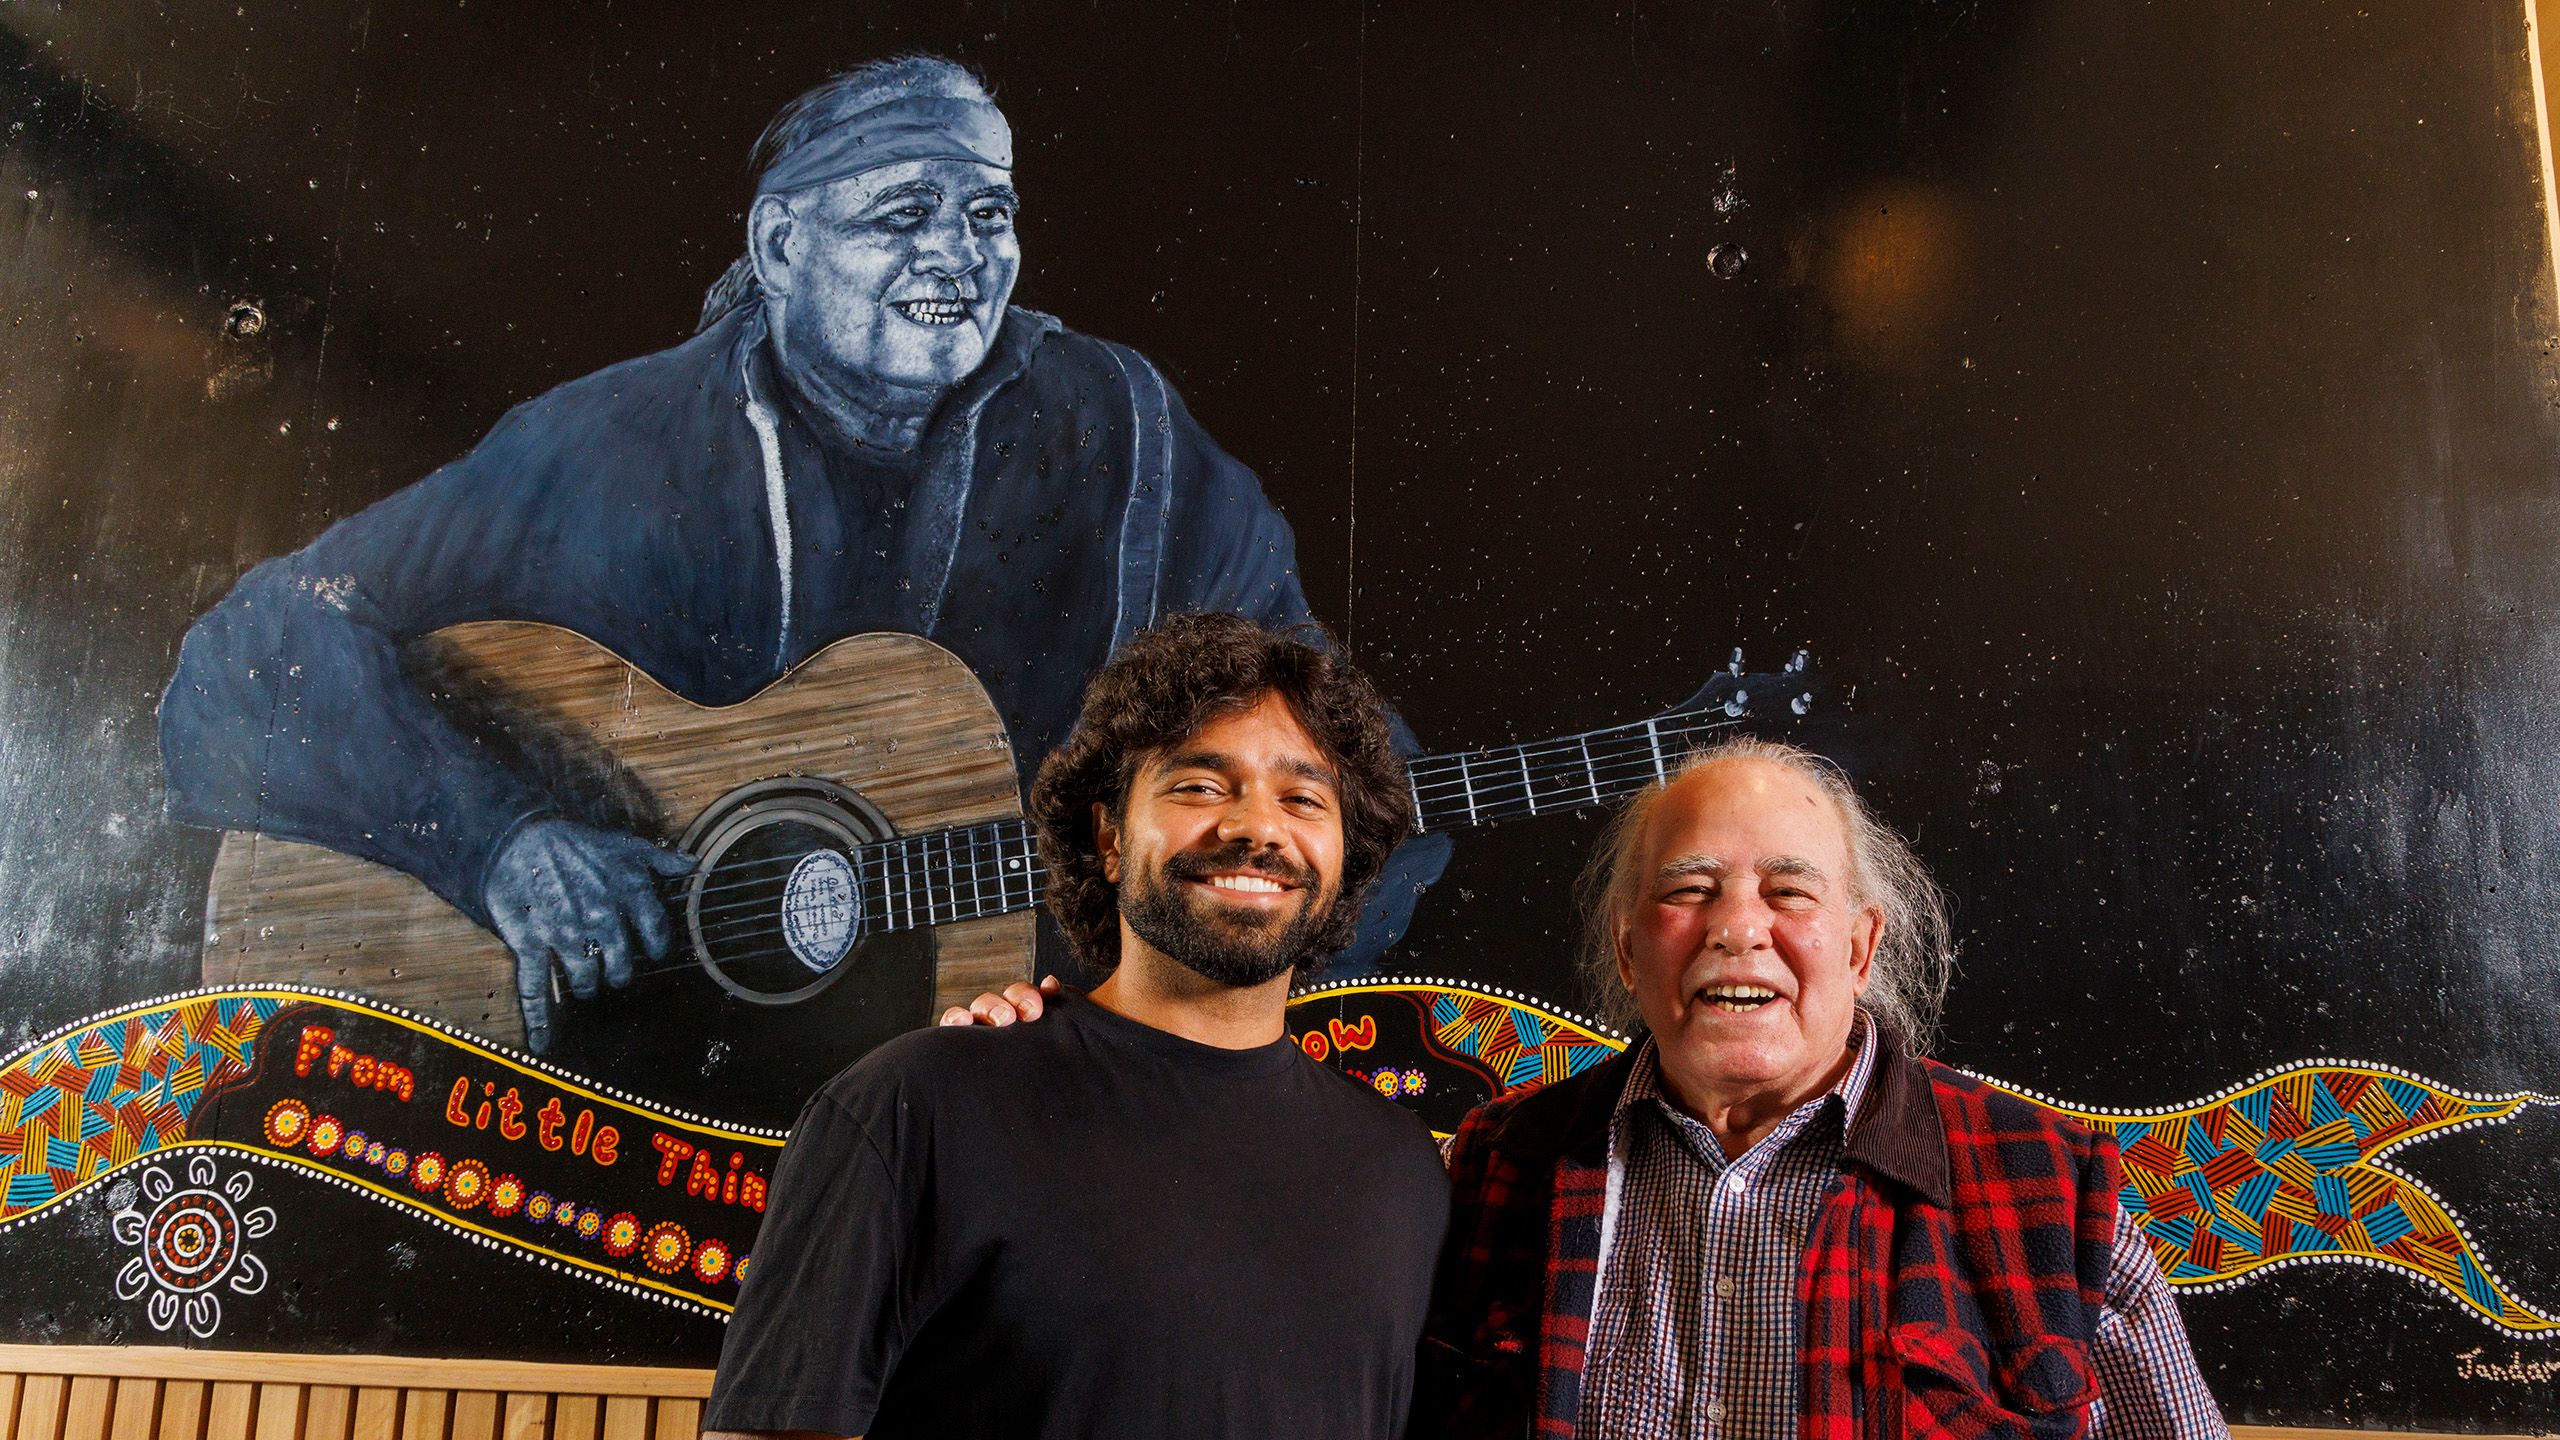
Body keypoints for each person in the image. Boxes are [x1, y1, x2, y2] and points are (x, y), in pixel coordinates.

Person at [158, 54, 1449, 1053]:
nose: (960, 256)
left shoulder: (1125, 439)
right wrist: (500, 846)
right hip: (633, 1123)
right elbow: (241, 662)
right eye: (903, 214)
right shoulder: (605, 447)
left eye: (989, 213)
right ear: (780, 248)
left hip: (990, 1109)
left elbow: (1342, 757)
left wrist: (1200, 1009)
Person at [699, 613, 1448, 1440]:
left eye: (1303, 798)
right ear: (1109, 836)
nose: (1256, 828)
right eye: (1200, 786)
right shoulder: (914, 1108)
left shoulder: (1402, 1169)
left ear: (1347, 859)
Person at [1414, 737, 2226, 1439]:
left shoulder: (2049, 1189)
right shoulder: (1502, 1162)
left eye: (1789, 891)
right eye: (1688, 889)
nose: (1737, 927)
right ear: (1629, 953)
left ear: (1859, 949)